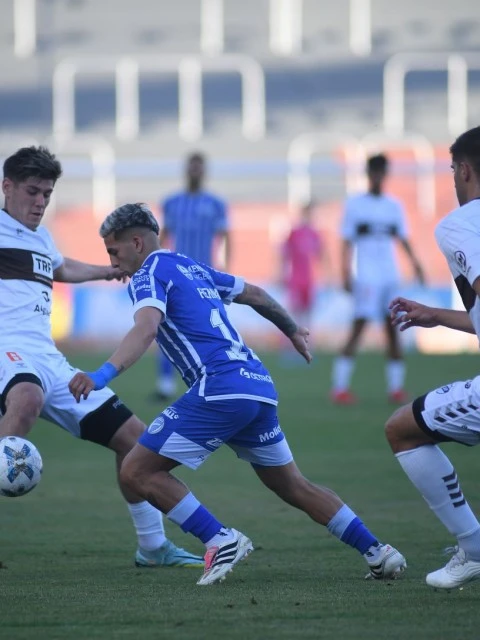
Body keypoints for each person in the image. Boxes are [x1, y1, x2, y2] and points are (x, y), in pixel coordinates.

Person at [69, 202, 407, 587]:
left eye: (114, 252)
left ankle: (219, 539)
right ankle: (378, 552)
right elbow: (257, 295)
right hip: (257, 385)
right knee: (293, 485)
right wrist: (292, 328)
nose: (113, 263)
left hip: (220, 387)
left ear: (136, 243)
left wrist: (102, 374)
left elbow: (146, 329)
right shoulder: (191, 266)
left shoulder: (149, 273)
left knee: (135, 469)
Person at [0, 146, 202, 569]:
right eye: (33, 192)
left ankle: (152, 547)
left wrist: (107, 270)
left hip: (48, 358)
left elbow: (60, 268)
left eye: (47, 195)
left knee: (134, 439)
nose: (40, 202)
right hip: (7, 348)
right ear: (7, 187)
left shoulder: (40, 237)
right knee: (26, 400)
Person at [387, 125, 480, 590]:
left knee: (402, 430)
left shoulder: (461, 223)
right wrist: (438, 316)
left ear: (464, 170)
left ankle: (474, 547)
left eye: (451, 171)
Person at [331, 153, 425, 405]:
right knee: (359, 326)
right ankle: (339, 387)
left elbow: (402, 238)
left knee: (393, 328)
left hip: (389, 275)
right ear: (368, 173)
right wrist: (345, 274)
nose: (377, 176)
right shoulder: (354, 205)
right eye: (374, 171)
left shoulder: (393, 206)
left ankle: (395, 388)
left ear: (385, 174)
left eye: (381, 171)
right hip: (366, 276)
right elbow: (346, 242)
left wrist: (416, 264)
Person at [154, 151, 230, 399]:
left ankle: (210, 381)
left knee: (206, 328)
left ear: (204, 171)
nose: (195, 171)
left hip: (204, 276)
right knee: (165, 325)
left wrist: (224, 270)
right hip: (175, 276)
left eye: (199, 167)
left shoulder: (216, 203)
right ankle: (165, 384)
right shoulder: (172, 202)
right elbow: (163, 236)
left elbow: (226, 238)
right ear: (186, 170)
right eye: (191, 167)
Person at [281, 201, 329, 330]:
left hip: (310, 280)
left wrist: (327, 275)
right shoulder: (294, 233)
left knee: (308, 315)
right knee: (294, 313)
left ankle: (307, 343)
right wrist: (282, 274)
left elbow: (321, 255)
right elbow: (284, 255)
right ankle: (290, 346)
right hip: (296, 279)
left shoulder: (315, 234)